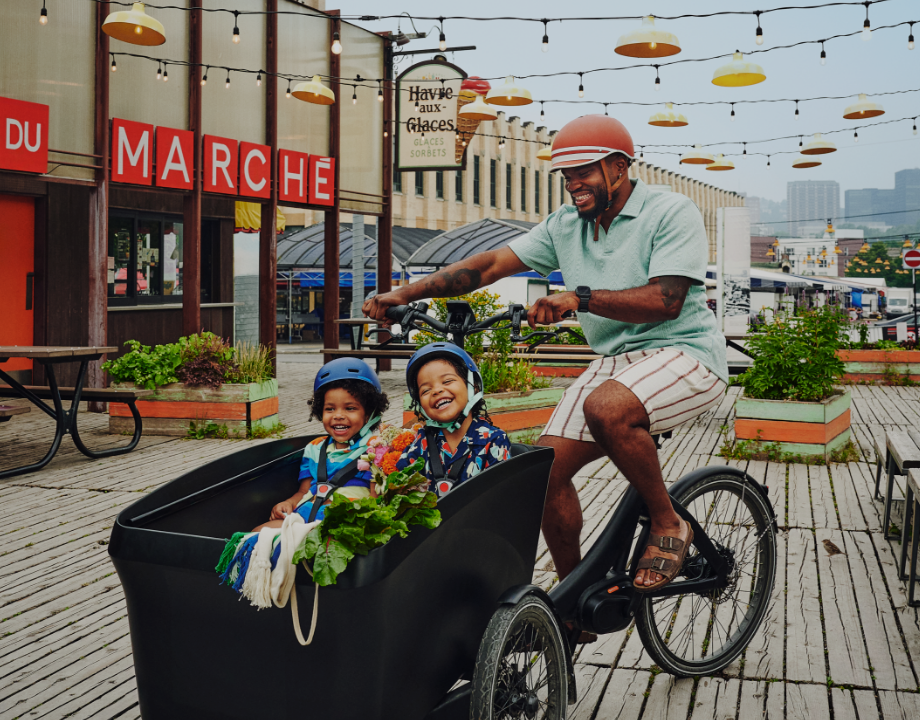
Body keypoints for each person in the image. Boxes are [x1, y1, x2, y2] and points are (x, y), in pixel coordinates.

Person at [365, 115, 728, 594]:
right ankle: (571, 600)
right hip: (616, 363)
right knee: (542, 472)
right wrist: (405, 293)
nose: (573, 184)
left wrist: (579, 298)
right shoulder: (565, 225)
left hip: (685, 351)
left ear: (619, 168)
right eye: (566, 175)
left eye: (584, 172)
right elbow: (491, 265)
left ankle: (668, 521)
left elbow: (666, 300)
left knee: (606, 407)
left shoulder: (670, 211)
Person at [254, 358, 389, 531]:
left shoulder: (377, 449)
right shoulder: (315, 448)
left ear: (369, 413)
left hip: (346, 522)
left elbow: (376, 500)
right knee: (257, 534)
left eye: (350, 408)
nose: (338, 415)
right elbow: (304, 491)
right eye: (330, 409)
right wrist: (288, 503)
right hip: (306, 515)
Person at [396, 343, 510, 496]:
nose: (437, 390)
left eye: (447, 381)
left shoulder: (494, 440)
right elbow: (400, 489)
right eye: (426, 390)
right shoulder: (420, 443)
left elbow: (500, 496)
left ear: (474, 386)